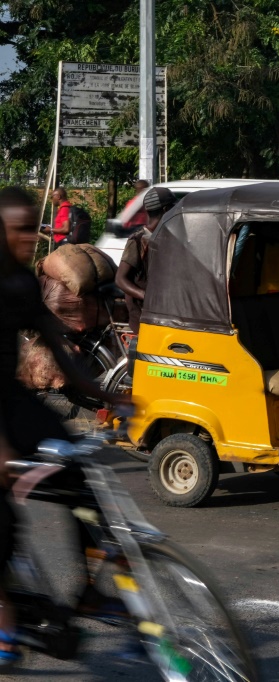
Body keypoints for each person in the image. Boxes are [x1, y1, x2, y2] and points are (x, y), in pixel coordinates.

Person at [0, 186, 127, 666]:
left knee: (77, 470)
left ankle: (89, 589)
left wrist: (106, 394)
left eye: (33, 229)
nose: (29, 239)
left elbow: (56, 347)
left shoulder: (24, 284)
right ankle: (5, 615)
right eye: (18, 230)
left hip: (11, 400)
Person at [114, 187, 177, 387]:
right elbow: (121, 279)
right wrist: (146, 295)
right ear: (167, 209)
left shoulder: (168, 237)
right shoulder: (138, 240)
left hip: (163, 311)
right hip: (143, 314)